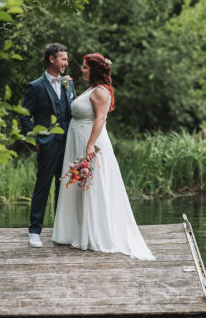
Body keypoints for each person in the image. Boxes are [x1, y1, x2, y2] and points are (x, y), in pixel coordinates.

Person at [52, 53, 155, 260]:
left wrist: (90, 144)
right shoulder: (90, 89)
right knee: (78, 185)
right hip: (77, 140)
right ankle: (77, 232)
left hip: (89, 142)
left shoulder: (100, 92)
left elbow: (100, 119)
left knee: (90, 187)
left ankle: (91, 235)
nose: (82, 70)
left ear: (96, 70)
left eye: (85, 67)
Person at [20, 43, 78, 248]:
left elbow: (75, 109)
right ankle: (34, 232)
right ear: (52, 59)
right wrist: (35, 139)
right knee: (42, 187)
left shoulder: (68, 83)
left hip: (68, 144)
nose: (67, 63)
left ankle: (61, 231)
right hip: (47, 144)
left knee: (64, 187)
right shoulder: (35, 86)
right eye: (63, 59)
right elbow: (24, 115)